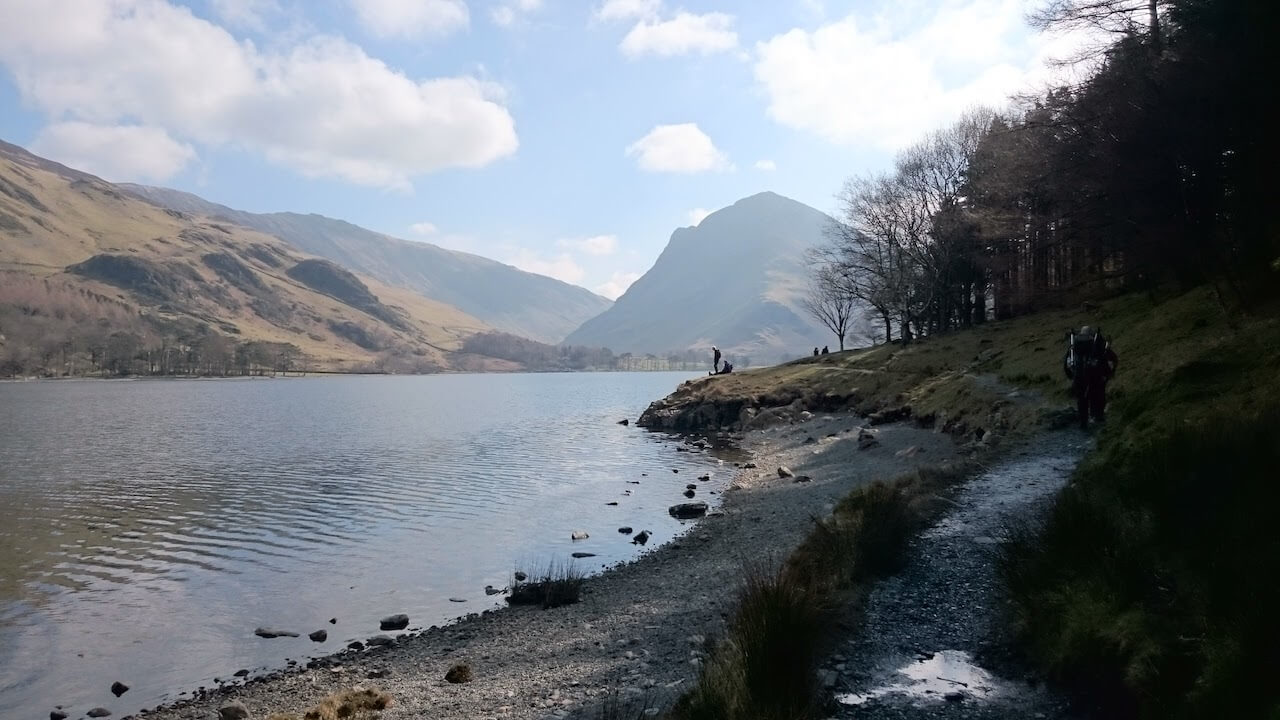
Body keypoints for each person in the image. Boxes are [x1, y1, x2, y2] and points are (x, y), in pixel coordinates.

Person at [1063, 326, 1118, 429]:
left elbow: (1067, 363)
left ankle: (1083, 422)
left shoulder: (1075, 345)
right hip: (1095, 377)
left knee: (1081, 400)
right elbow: (1108, 359)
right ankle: (1097, 418)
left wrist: (1071, 376)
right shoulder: (1097, 344)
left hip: (1078, 377)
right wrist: (1108, 374)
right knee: (1097, 397)